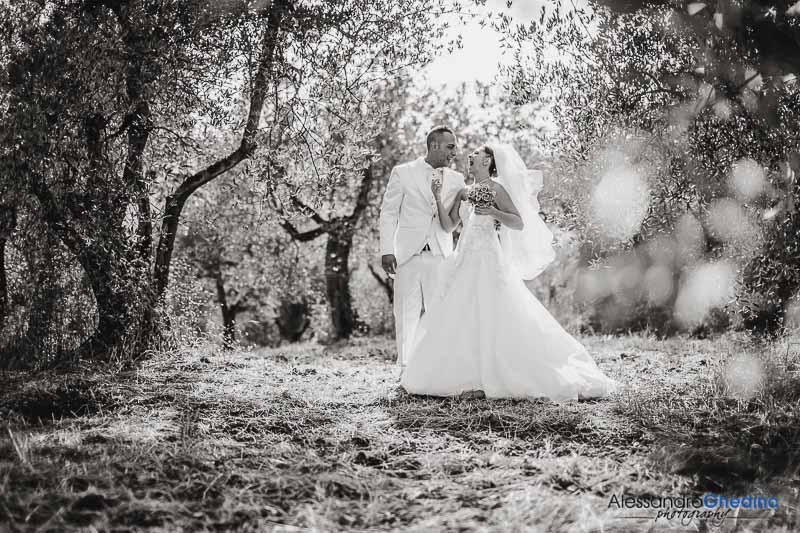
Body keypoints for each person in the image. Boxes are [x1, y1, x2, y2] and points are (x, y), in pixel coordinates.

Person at [400, 143, 617, 402]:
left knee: (496, 310)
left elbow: (518, 221)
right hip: (464, 260)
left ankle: (502, 371)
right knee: (460, 311)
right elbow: (448, 227)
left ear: (489, 161)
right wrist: (437, 197)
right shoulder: (463, 193)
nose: (470, 156)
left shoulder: (496, 189)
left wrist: (493, 211)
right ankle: (467, 375)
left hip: (489, 259)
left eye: (477, 154)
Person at [378, 126, 466, 370]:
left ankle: (438, 367)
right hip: (407, 254)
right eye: (450, 146)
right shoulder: (403, 172)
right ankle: (405, 367)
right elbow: (388, 212)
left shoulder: (457, 180)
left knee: (440, 313)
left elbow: (454, 218)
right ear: (434, 145)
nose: (454, 152)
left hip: (441, 255)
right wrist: (387, 249)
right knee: (405, 314)